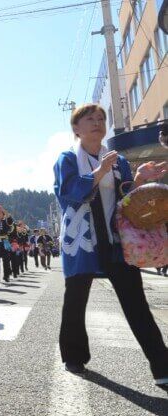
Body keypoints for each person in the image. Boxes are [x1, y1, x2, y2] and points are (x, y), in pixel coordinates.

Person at [54, 103, 168, 390]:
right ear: (76, 129)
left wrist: (139, 178)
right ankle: (74, 356)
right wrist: (99, 171)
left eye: (101, 118)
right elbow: (69, 193)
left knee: (136, 302)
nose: (97, 122)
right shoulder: (68, 158)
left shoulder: (117, 160)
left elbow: (125, 197)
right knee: (76, 299)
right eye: (89, 119)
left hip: (117, 239)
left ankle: (162, 367)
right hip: (82, 240)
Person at [0, 206, 15, 282]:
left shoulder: (6, 221)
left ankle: (6, 276)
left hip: (5, 242)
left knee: (6, 260)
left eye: (0, 212)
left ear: (3, 214)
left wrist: (4, 210)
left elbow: (10, 219)